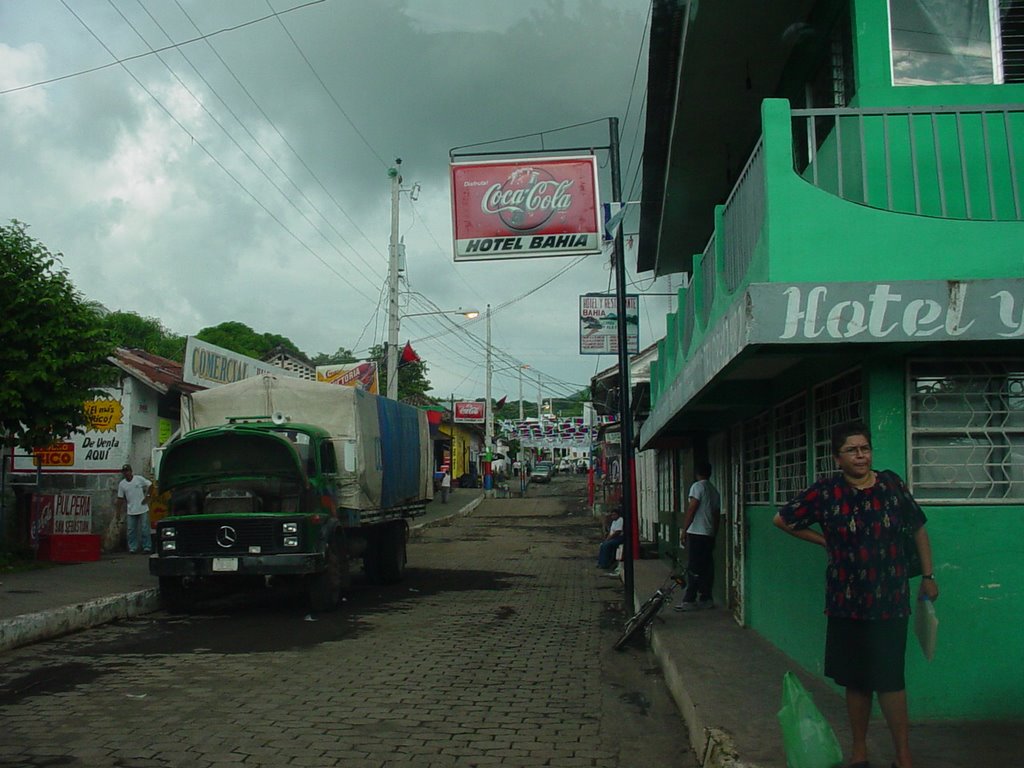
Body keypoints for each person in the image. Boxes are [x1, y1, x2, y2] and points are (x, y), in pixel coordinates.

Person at [773, 421, 939, 768]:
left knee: (891, 680)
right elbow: (784, 520)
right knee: (856, 680)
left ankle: (903, 756)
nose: (860, 455)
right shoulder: (826, 492)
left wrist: (928, 575)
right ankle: (859, 752)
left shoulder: (891, 484)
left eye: (865, 448)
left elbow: (918, 527)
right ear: (838, 458)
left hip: (890, 600)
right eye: (852, 450)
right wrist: (824, 542)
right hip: (846, 601)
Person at [675, 462, 721, 611]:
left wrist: (684, 529)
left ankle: (690, 599)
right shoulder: (714, 491)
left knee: (694, 566)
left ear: (697, 473)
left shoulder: (697, 487)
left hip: (697, 532)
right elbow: (716, 515)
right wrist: (714, 533)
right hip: (708, 533)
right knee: (707, 567)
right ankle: (706, 597)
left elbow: (692, 509)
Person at [117, 463, 153, 554]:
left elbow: (150, 485)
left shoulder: (139, 479)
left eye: (128, 471)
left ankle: (147, 547)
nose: (126, 473)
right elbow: (120, 498)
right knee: (131, 530)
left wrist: (147, 496)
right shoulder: (122, 484)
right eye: (124, 472)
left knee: (145, 529)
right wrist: (118, 512)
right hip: (131, 510)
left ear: (131, 471)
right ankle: (133, 548)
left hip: (142, 508)